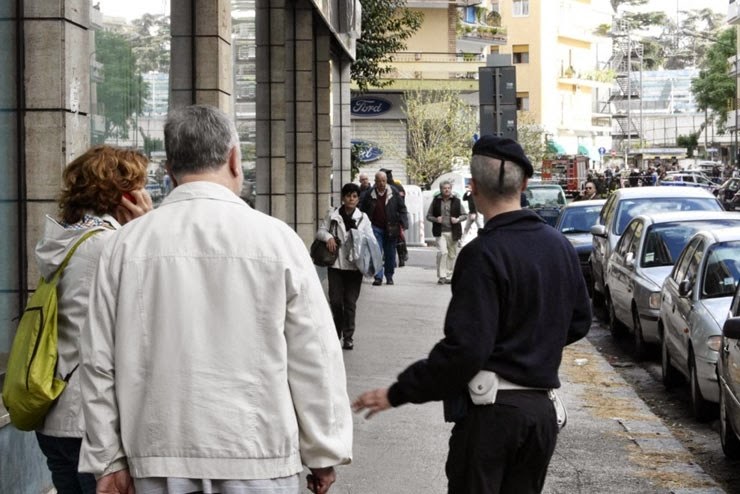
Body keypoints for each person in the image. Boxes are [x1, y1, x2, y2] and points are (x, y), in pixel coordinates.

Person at [78, 105, 352, 494]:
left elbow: (97, 362)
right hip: (259, 455)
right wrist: (324, 451)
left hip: (156, 457)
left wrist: (108, 457)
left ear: (170, 169)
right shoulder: (277, 240)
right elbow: (315, 357)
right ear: (235, 159)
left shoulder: (124, 246)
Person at [353, 135, 591, 494]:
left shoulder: (482, 254)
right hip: (540, 415)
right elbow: (579, 321)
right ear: (524, 184)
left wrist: (399, 392)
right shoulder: (559, 246)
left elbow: (465, 350)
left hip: (492, 416)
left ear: (474, 189)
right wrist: (534, 341)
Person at [34, 145, 152, 494]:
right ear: (124, 193)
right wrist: (147, 228)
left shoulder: (68, 239)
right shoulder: (110, 245)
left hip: (55, 417)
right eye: (140, 184)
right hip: (93, 424)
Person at [316, 182, 377, 350]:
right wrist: (328, 237)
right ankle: (336, 333)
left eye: (355, 196)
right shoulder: (333, 215)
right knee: (335, 301)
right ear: (343, 197)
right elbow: (320, 231)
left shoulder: (363, 218)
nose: (351, 199)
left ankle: (348, 337)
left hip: (355, 266)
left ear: (358, 199)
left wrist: (361, 240)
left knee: (350, 302)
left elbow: (371, 240)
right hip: (336, 264)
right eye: (348, 195)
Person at [359, 170, 409, 286]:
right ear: (375, 182)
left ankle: (389, 276)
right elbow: (363, 209)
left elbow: (402, 209)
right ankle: (378, 277)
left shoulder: (394, 192)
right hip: (375, 227)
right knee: (376, 252)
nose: (382, 183)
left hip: (391, 228)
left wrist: (403, 223)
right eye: (379, 181)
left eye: (384, 181)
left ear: (386, 181)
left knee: (390, 253)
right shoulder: (370, 193)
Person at [427, 180, 467, 284]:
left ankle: (449, 276)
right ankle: (442, 276)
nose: (447, 190)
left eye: (449, 188)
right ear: (441, 189)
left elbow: (464, 215)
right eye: (445, 188)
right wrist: (436, 219)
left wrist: (458, 220)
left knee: (452, 255)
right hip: (440, 232)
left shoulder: (457, 201)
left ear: (451, 189)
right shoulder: (435, 201)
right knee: (443, 252)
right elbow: (428, 216)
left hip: (453, 232)